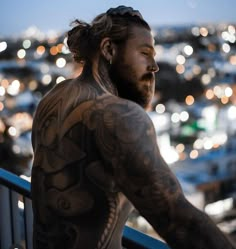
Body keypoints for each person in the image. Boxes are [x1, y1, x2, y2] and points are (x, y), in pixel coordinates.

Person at [31, 5, 235, 249]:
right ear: (109, 49)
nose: (154, 66)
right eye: (145, 53)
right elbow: (182, 223)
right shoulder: (118, 116)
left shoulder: (53, 99)